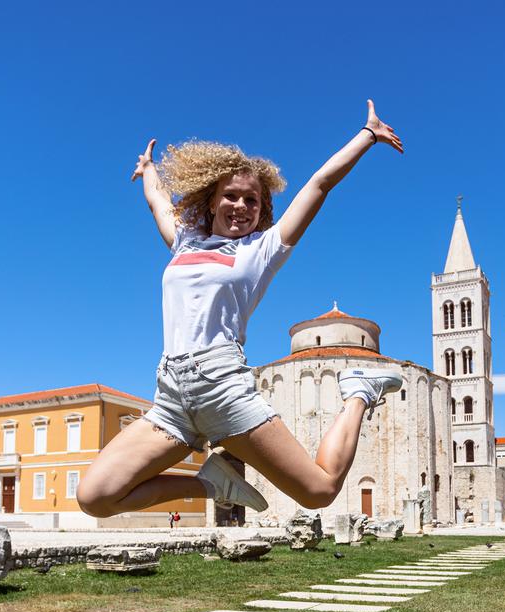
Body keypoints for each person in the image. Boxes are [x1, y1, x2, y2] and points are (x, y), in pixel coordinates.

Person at [78, 102, 405, 519]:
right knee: (95, 497)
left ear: (261, 209)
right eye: (230, 196)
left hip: (222, 387)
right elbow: (158, 203)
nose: (241, 206)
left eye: (252, 200)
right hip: (171, 396)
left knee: (319, 490)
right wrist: (148, 169)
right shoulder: (185, 242)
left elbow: (319, 185)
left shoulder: (260, 251)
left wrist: (367, 135)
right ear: (210, 201)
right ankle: (212, 483)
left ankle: (359, 392)